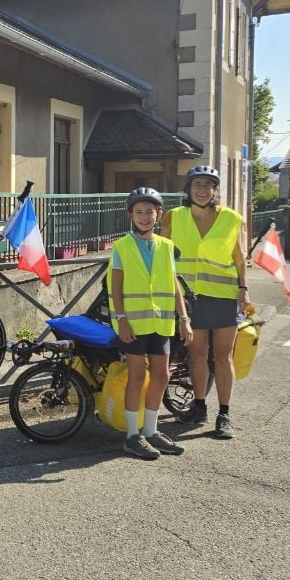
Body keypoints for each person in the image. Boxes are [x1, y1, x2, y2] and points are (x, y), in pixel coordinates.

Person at [161, 165, 248, 439]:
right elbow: (162, 255)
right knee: (197, 355)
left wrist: (243, 289)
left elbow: (239, 257)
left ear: (215, 190)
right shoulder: (173, 217)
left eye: (208, 185)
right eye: (197, 184)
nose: (202, 190)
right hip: (189, 298)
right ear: (188, 189)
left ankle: (224, 415)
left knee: (223, 357)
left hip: (223, 296)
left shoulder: (232, 219)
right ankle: (199, 408)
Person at [110, 187, 192, 460]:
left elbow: (174, 285)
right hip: (132, 324)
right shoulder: (122, 246)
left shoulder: (167, 246)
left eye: (150, 212)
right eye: (139, 212)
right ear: (130, 216)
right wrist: (121, 320)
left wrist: (184, 319)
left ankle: (151, 431)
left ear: (160, 214)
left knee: (162, 375)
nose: (145, 217)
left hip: (162, 322)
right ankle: (132, 436)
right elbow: (116, 288)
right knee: (137, 376)